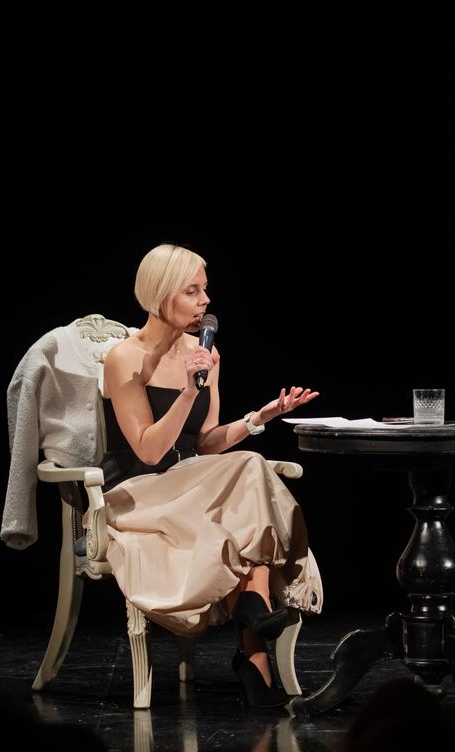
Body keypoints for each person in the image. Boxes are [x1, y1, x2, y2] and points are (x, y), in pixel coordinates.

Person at [100, 244, 322, 708]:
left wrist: (259, 418)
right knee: (250, 473)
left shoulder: (205, 352)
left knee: (246, 487)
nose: (205, 301)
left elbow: (205, 443)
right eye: (192, 291)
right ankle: (254, 643)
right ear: (160, 294)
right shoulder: (125, 357)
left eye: (205, 289)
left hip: (192, 483)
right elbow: (149, 449)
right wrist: (188, 391)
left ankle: (254, 645)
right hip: (141, 494)